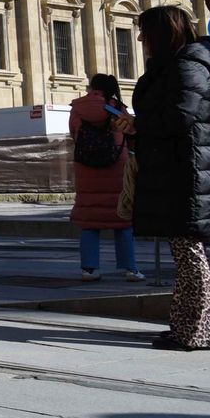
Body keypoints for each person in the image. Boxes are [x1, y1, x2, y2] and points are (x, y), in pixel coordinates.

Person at [118, 6, 210, 350]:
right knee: (189, 254)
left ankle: (195, 331)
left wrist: (139, 124)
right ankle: (204, 327)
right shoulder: (175, 66)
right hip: (177, 169)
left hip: (186, 173)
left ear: (164, 33)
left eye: (145, 32)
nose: (140, 39)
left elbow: (181, 116)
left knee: (190, 254)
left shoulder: (188, 66)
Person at [69, 73, 142, 282]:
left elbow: (74, 134)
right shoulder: (116, 108)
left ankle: (89, 269)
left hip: (86, 169)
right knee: (123, 219)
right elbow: (132, 132)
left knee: (89, 221)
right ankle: (130, 268)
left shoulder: (78, 108)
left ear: (92, 87)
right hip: (116, 167)